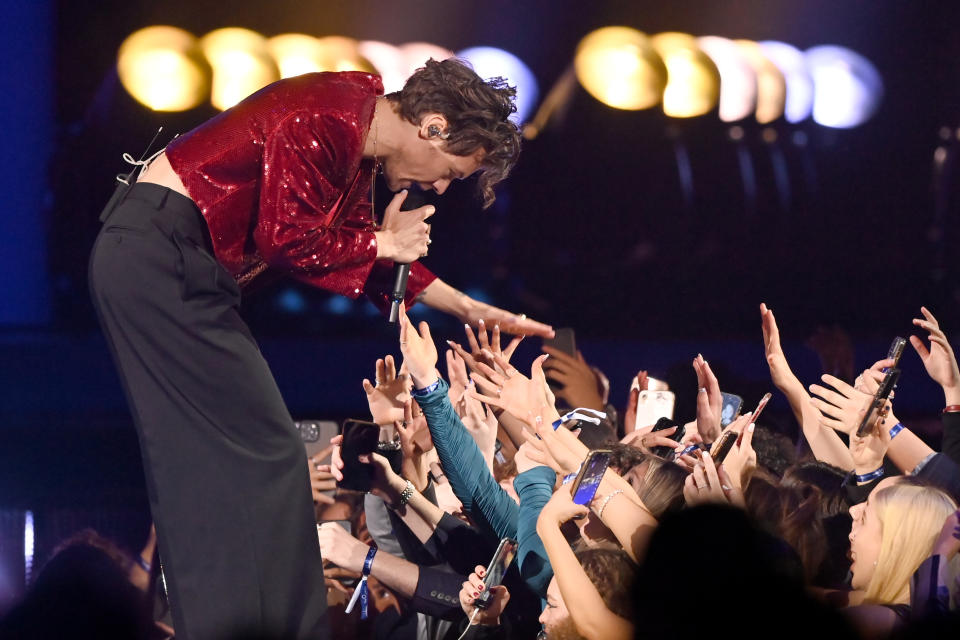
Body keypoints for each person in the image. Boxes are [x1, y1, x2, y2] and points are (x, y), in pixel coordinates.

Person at [89, 58, 552, 640]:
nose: (439, 187)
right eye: (451, 173)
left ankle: (235, 621)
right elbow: (287, 238)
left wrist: (470, 308)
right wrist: (385, 239)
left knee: (228, 457)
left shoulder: (360, 130)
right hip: (160, 258)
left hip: (177, 268)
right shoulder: (327, 116)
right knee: (256, 453)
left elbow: (353, 255)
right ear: (433, 127)